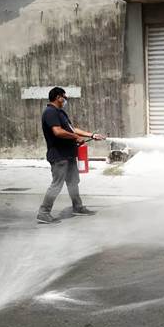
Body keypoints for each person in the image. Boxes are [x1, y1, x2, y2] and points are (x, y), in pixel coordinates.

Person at [37, 87, 105, 224]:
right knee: (56, 185)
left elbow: (72, 129)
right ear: (58, 97)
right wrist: (75, 137)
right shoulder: (50, 112)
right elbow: (57, 132)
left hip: (68, 154)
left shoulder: (60, 112)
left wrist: (91, 135)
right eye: (64, 97)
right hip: (59, 156)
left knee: (73, 182)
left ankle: (77, 207)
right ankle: (43, 212)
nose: (65, 100)